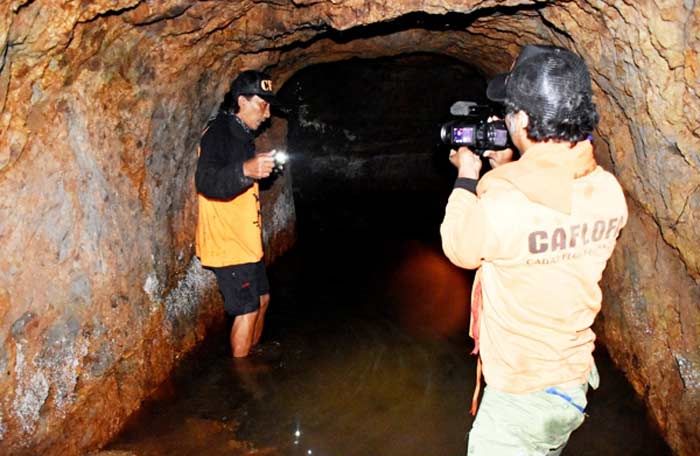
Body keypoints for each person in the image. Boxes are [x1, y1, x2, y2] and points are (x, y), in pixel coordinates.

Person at [440, 45, 628, 455]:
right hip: (571, 383)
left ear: (522, 119)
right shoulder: (607, 192)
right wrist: (511, 166)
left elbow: (459, 246)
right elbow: (548, 209)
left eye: (509, 109)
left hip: (520, 398)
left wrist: (468, 177)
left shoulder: (504, 203)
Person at [195, 70, 279, 358]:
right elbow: (206, 181)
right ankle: (241, 377)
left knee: (263, 299)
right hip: (227, 242)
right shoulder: (219, 133)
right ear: (242, 101)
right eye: (262, 104)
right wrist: (245, 170)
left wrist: (258, 171)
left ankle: (252, 352)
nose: (267, 114)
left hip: (246, 241)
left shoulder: (241, 134)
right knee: (247, 308)